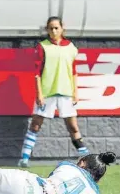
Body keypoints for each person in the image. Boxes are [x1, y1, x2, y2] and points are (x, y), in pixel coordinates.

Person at [18, 16, 90, 168]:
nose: (54, 31)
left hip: (66, 93)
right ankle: (24, 158)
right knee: (35, 125)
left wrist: (75, 92)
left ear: (62, 28)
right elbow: (37, 72)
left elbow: (74, 71)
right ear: (47, 29)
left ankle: (87, 158)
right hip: (47, 94)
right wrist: (39, 94)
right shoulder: (42, 46)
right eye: (51, 28)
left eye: (56, 28)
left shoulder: (71, 47)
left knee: (73, 127)